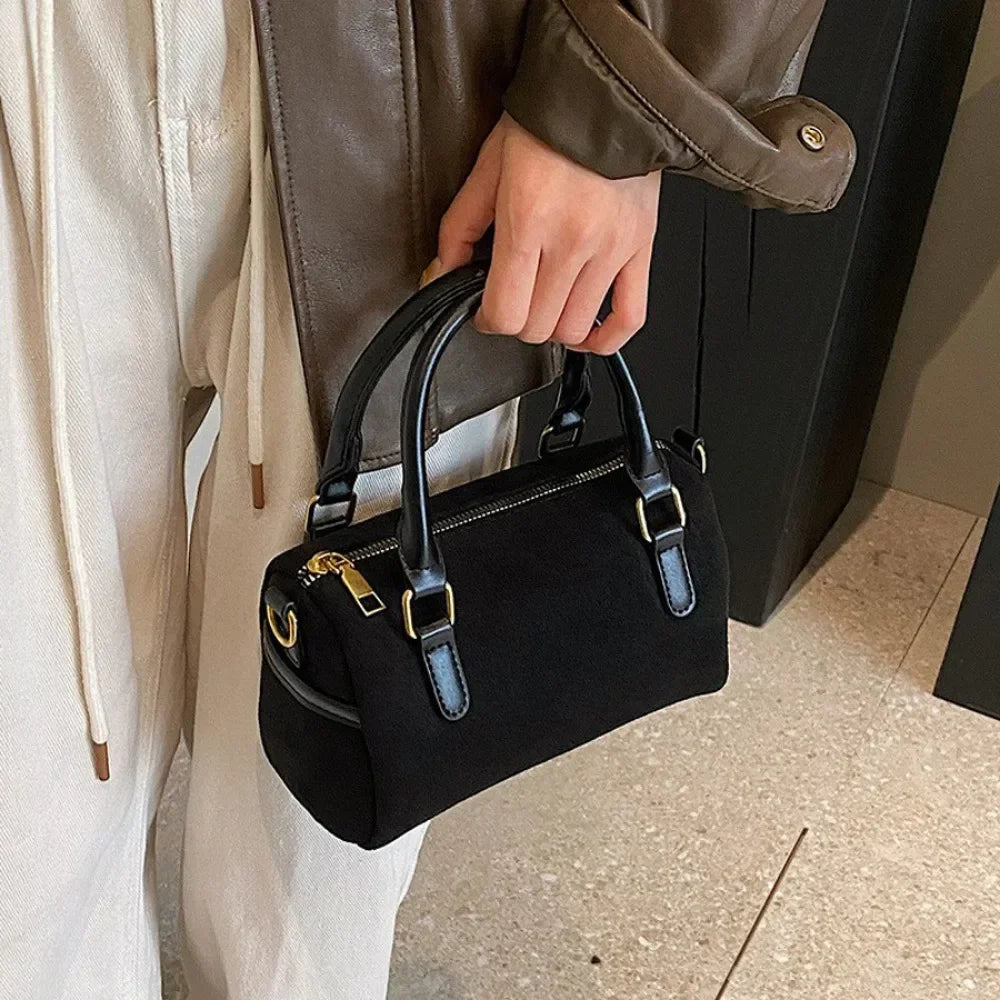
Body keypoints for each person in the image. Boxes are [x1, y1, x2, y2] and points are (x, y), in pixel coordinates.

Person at [0, 1, 853, 997]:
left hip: (401, 68)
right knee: (31, 803)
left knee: (325, 814)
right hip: (32, 69)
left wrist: (616, 100)